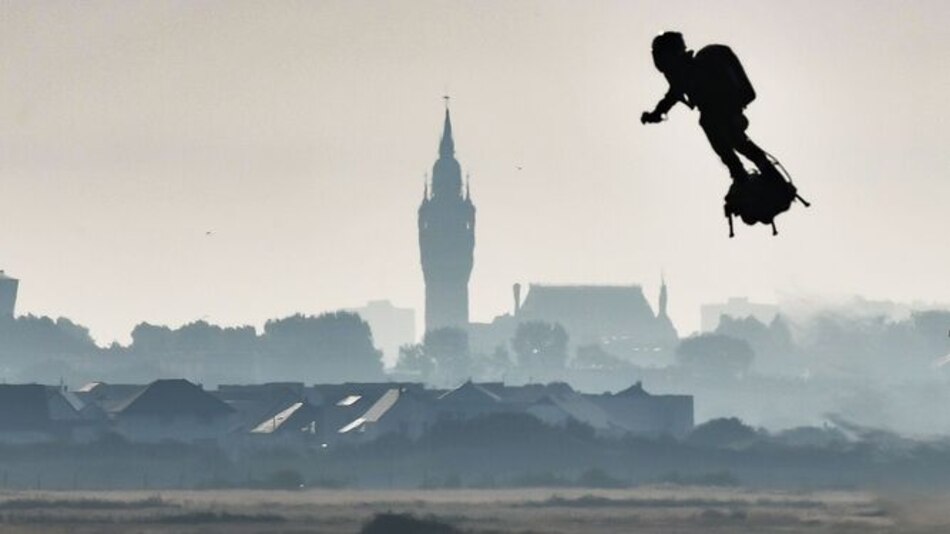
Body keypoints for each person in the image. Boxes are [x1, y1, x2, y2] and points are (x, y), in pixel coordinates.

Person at [641, 32, 777, 182]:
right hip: (725, 110)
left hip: (724, 108)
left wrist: (655, 115)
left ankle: (742, 174)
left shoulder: (691, 70)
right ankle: (759, 175)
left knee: (720, 132)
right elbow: (670, 98)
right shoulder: (685, 72)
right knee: (738, 143)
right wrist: (655, 114)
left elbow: (672, 96)